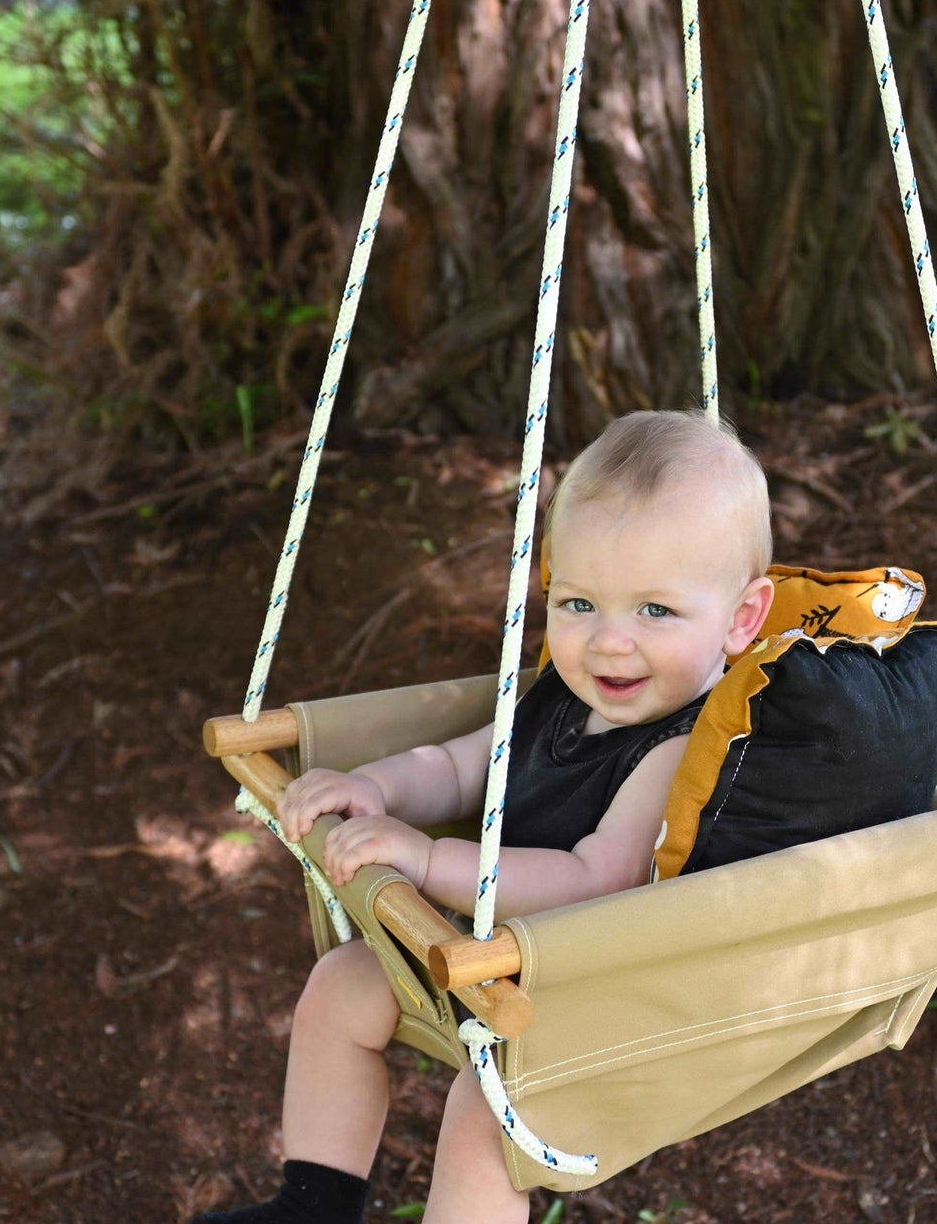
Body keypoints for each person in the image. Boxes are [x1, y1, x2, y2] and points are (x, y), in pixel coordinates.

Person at [196, 410, 775, 1224]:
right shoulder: (563, 690)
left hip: (596, 990)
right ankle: (312, 1205)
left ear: (743, 620)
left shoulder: (685, 746)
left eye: (654, 612)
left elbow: (593, 876)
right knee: (340, 986)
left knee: (485, 1113)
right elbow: (464, 764)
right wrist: (378, 789)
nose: (608, 643)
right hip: (491, 960)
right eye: (579, 602)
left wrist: (425, 862)